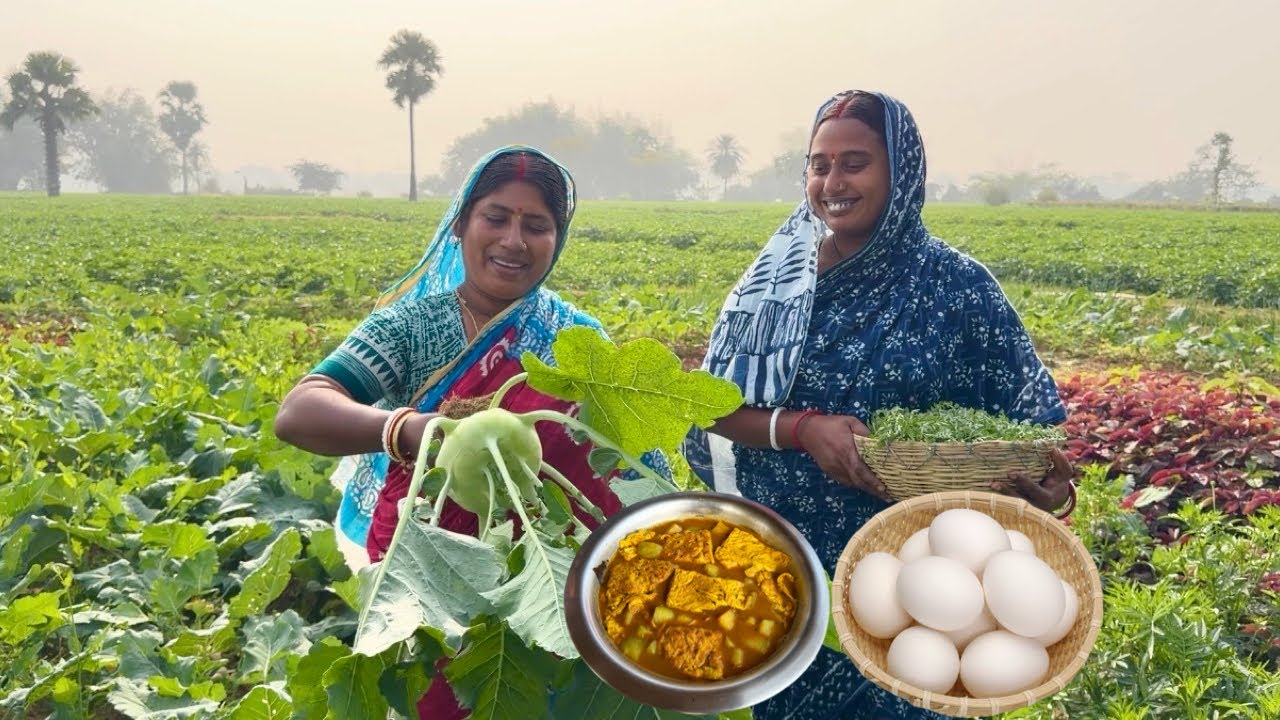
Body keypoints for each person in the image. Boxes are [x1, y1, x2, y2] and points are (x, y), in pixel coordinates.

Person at [687, 90, 1075, 719]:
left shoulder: (959, 288)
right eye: (818, 164)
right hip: (787, 571)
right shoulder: (776, 285)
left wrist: (1045, 492)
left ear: (903, 169)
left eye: (855, 163)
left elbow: (1025, 433)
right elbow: (711, 410)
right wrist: (803, 429)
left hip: (919, 579)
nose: (831, 182)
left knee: (920, 692)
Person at [274, 145, 621, 719]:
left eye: (536, 226)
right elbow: (300, 410)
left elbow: (622, 460)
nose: (514, 240)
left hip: (545, 570)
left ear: (556, 241)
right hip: (430, 570)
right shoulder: (414, 324)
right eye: (496, 218)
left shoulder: (576, 338)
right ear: (460, 225)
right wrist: (411, 430)